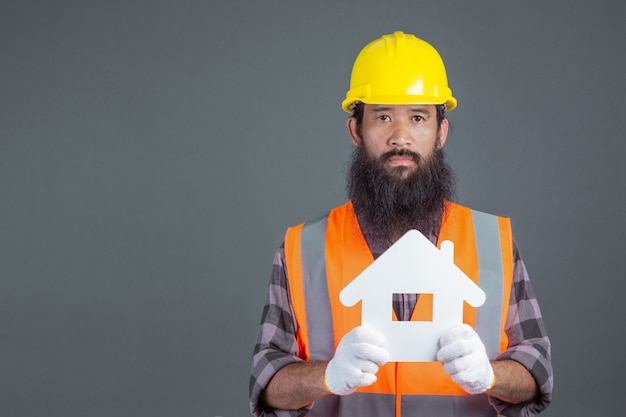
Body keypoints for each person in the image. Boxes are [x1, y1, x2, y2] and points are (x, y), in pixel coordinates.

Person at [249, 31, 552, 417]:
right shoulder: (303, 249)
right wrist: (326, 376)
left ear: (441, 132)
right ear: (356, 130)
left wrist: (489, 375)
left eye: (419, 117)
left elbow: (537, 372)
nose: (401, 137)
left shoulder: (493, 243)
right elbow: (265, 383)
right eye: (383, 116)